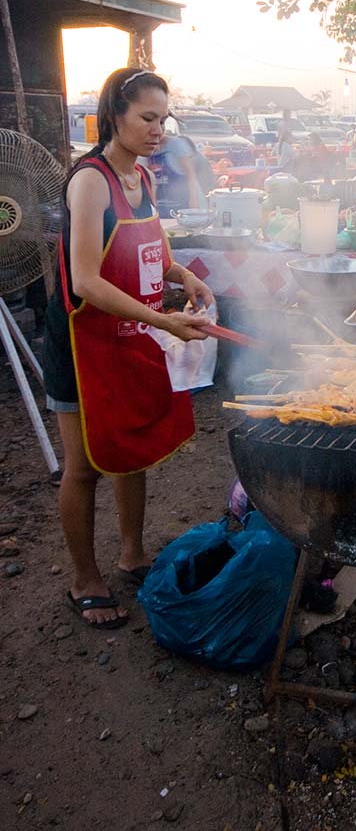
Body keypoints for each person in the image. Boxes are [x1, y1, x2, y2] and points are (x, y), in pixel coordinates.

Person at [42, 68, 213, 629]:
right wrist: (160, 318)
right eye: (146, 118)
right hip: (82, 335)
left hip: (130, 333)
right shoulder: (90, 181)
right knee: (85, 466)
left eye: (164, 119)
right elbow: (87, 280)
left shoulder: (143, 177)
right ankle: (83, 579)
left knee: (131, 443)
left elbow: (154, 250)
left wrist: (182, 274)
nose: (158, 130)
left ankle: (133, 551)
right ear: (114, 115)